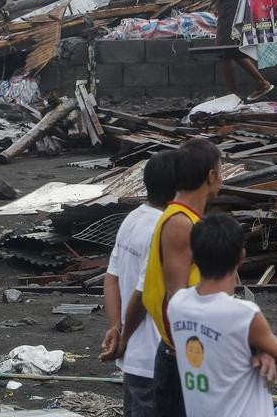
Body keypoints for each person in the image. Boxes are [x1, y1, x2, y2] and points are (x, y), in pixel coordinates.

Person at [170, 213, 277, 417]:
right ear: (241, 257)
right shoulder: (244, 315)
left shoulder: (177, 305)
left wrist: (257, 352)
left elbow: (217, 350)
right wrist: (264, 353)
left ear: (192, 255)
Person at [133, 138, 223, 416]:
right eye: (221, 170)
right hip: (184, 357)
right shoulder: (181, 223)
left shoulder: (184, 219)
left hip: (185, 352)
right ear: (210, 176)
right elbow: (178, 300)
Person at [99, 150, 179, 417]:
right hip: (154, 357)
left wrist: (115, 326)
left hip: (134, 359)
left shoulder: (133, 218)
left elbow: (111, 278)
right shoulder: (166, 228)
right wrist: (124, 336)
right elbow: (143, 294)